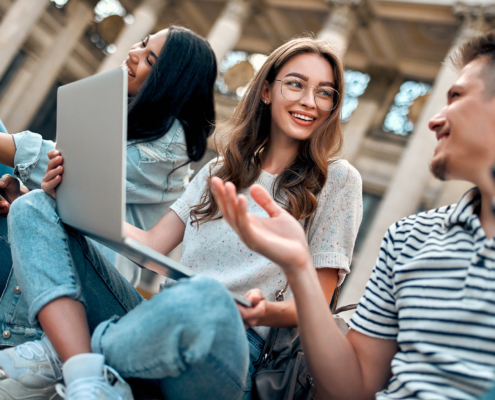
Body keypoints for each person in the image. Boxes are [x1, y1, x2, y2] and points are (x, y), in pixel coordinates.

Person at [0, 37, 362, 399]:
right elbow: (150, 245)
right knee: (32, 207)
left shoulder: (337, 180)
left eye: (325, 92)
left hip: (235, 349)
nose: (309, 102)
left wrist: (261, 312)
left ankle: (64, 354)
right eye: (296, 84)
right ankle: (86, 375)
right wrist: (64, 202)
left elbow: (312, 305)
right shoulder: (220, 171)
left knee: (206, 296)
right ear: (266, 91)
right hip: (158, 317)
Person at [212, 31, 495, 400]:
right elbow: (352, 388)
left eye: (455, 97)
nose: (433, 120)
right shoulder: (409, 237)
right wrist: (299, 265)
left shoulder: (340, 180)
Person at [0, 25, 216, 286]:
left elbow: (70, 168)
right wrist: (23, 195)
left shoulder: (170, 142)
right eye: (142, 43)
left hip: (93, 271)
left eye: (149, 59)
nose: (133, 53)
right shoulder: (136, 117)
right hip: (65, 244)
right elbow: (74, 193)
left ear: (173, 82)